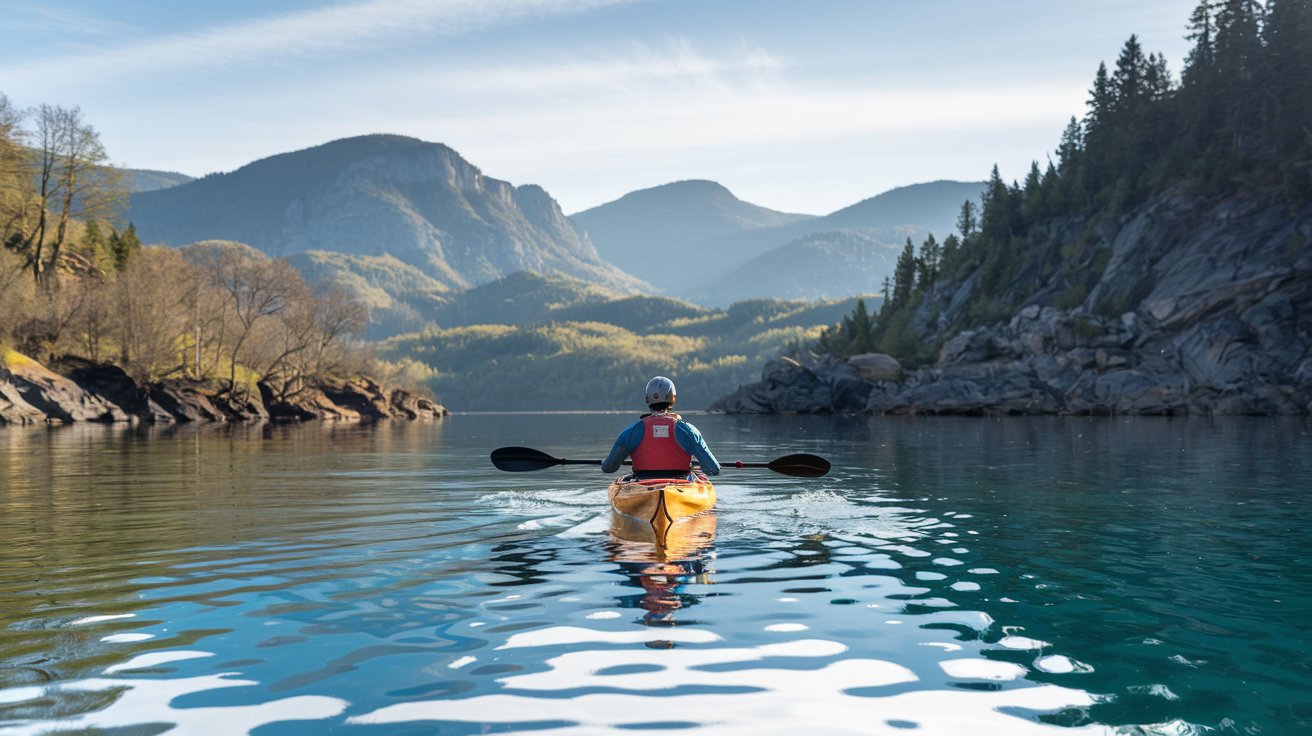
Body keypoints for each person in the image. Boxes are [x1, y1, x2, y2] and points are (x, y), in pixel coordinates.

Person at [602, 376, 721, 479]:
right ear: (672, 398)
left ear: (647, 399)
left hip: (643, 483)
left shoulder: (631, 432)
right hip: (679, 483)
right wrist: (698, 467)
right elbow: (714, 469)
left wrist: (604, 462)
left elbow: (609, 468)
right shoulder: (688, 431)